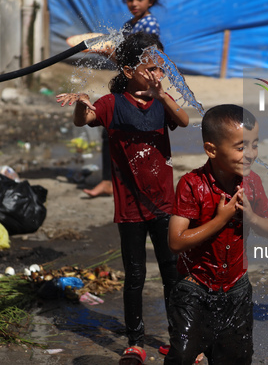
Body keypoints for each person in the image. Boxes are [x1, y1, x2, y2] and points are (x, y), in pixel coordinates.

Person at [57, 32, 189, 365]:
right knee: (135, 276)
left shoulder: (162, 103)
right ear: (128, 71)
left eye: (162, 69)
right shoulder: (112, 104)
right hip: (130, 209)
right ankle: (135, 342)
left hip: (165, 206)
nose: (158, 75)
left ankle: (179, 340)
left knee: (172, 274)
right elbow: (83, 118)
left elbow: (185, 120)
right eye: (151, 69)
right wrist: (82, 100)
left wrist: (162, 95)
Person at [166, 104, 268, 365]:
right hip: (194, 287)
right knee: (181, 356)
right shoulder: (192, 185)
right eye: (240, 147)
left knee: (235, 359)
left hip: (236, 289)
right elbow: (175, 241)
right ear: (211, 150)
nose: (250, 154)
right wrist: (221, 219)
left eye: (254, 145)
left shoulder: (252, 184)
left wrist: (250, 218)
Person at [85, 0, 162, 198]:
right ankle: (112, 181)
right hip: (126, 84)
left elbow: (143, 62)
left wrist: (109, 52)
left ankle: (133, 181)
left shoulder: (149, 25)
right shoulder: (129, 25)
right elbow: (126, 61)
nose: (134, 3)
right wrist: (108, 52)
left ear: (151, 0)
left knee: (137, 132)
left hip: (140, 87)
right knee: (114, 129)